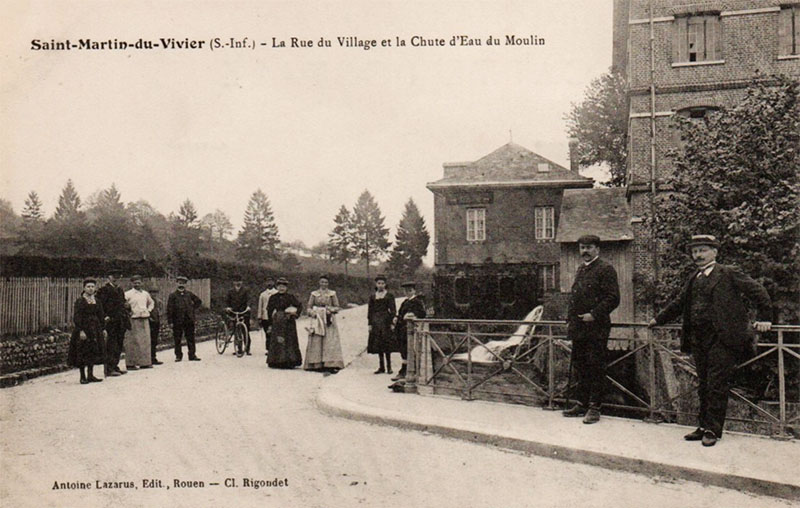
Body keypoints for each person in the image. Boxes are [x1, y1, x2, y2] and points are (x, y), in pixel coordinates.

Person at [649, 234, 772, 446]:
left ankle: (713, 430)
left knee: (716, 384)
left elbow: (759, 292)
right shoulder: (693, 278)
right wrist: (658, 319)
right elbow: (679, 303)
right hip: (699, 339)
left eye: (703, 250)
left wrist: (764, 318)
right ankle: (703, 426)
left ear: (714, 252)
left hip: (722, 339)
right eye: (695, 251)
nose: (698, 255)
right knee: (704, 384)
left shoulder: (728, 273)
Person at [562, 234, 620, 425]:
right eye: (581, 248)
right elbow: (576, 296)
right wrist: (569, 318)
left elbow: (613, 298)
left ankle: (595, 408)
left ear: (597, 249)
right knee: (580, 365)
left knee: (596, 366)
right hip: (579, 327)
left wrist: (594, 314)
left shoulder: (605, 269)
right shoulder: (581, 269)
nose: (584, 251)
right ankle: (581, 403)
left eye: (588, 247)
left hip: (596, 328)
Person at [303, 275, 345, 373]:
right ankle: (316, 363)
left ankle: (330, 364)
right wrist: (312, 312)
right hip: (317, 318)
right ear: (319, 283)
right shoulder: (314, 294)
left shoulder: (332, 294)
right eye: (322, 282)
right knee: (317, 340)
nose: (324, 284)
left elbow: (337, 307)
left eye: (326, 282)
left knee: (329, 340)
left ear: (328, 283)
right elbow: (308, 307)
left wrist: (330, 310)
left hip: (328, 319)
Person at [68, 279, 105, 384]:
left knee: (92, 351)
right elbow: (77, 317)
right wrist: (81, 331)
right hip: (84, 329)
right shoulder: (80, 301)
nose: (90, 289)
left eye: (92, 286)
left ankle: (90, 375)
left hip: (95, 329)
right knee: (82, 352)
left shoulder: (97, 301)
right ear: (84, 288)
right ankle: (82, 376)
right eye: (88, 286)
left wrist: (103, 329)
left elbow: (100, 315)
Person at [390, 281, 426, 383]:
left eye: (410, 290)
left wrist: (413, 315)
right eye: (406, 290)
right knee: (403, 349)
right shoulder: (405, 302)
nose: (408, 292)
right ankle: (404, 370)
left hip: (410, 329)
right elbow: (400, 313)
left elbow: (422, 314)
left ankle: (408, 371)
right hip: (401, 329)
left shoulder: (417, 301)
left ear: (414, 291)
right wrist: (396, 318)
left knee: (409, 349)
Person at [266, 277, 303, 369]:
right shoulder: (273, 297)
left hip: (288, 321)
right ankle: (276, 361)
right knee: (277, 339)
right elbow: (269, 310)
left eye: (283, 286)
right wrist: (270, 324)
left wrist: (294, 313)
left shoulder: (290, 297)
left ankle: (290, 360)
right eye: (279, 286)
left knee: (289, 340)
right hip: (277, 321)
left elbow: (299, 306)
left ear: (286, 288)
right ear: (277, 287)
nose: (281, 288)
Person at [97, 270, 127, 377]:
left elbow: (123, 304)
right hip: (110, 321)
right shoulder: (104, 290)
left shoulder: (120, 290)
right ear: (109, 277)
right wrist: (104, 316)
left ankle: (115, 365)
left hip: (120, 320)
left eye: (118, 276)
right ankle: (109, 368)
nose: (116, 278)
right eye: (114, 276)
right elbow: (100, 305)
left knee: (119, 344)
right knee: (111, 344)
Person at [167, 276, 203, 362]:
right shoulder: (173, 296)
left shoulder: (189, 294)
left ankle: (192, 355)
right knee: (177, 339)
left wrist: (192, 309)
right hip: (177, 320)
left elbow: (198, 301)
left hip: (189, 320)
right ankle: (178, 356)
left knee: (191, 338)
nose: (181, 285)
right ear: (176, 284)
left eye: (183, 283)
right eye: (179, 283)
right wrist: (170, 321)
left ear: (185, 284)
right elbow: (169, 309)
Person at [368, 274, 397, 374]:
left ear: (385, 284)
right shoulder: (373, 296)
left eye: (382, 283)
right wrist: (370, 324)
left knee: (387, 343)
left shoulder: (389, 295)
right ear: (376, 284)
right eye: (379, 283)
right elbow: (370, 311)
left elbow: (393, 310)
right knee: (378, 343)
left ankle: (389, 367)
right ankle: (381, 367)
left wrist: (393, 321)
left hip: (386, 321)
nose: (380, 285)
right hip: (376, 321)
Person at [124, 275, 154, 370]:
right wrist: (129, 312)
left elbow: (151, 303)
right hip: (133, 319)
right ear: (131, 283)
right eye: (135, 282)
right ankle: (131, 364)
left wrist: (148, 311)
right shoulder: (128, 294)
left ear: (142, 283)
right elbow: (124, 305)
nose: (137, 284)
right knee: (132, 342)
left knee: (145, 341)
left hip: (144, 319)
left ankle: (145, 362)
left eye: (139, 282)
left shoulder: (145, 294)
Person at [226, 275, 251, 356]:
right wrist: (228, 307)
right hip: (234, 312)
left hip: (244, 312)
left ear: (242, 282)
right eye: (236, 281)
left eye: (239, 281)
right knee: (236, 330)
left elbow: (249, 300)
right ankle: (239, 348)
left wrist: (248, 306)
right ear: (233, 283)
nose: (238, 283)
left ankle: (247, 348)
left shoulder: (246, 290)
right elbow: (227, 301)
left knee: (245, 330)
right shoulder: (230, 291)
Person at [257, 277, 278, 356]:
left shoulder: (276, 292)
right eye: (267, 281)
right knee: (267, 333)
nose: (269, 283)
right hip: (265, 317)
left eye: (271, 281)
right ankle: (269, 349)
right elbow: (260, 306)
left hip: (274, 316)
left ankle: (275, 349)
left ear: (273, 283)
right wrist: (259, 317)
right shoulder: (262, 294)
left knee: (275, 333)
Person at [148, 287, 163, 365]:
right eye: (151, 292)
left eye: (155, 293)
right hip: (149, 322)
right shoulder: (147, 301)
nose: (153, 294)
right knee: (149, 340)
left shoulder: (158, 301)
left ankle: (153, 357)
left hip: (156, 321)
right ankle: (149, 358)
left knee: (154, 340)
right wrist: (149, 318)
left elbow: (160, 310)